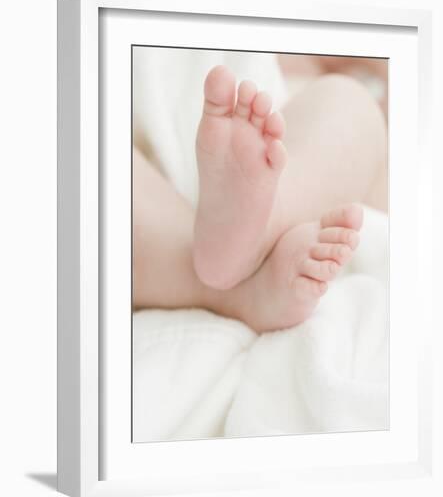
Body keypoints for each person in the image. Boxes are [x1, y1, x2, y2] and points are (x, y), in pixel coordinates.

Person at [133, 61, 387, 333]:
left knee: (350, 100)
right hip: (171, 159)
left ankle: (268, 216)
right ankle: (241, 280)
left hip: (266, 134)